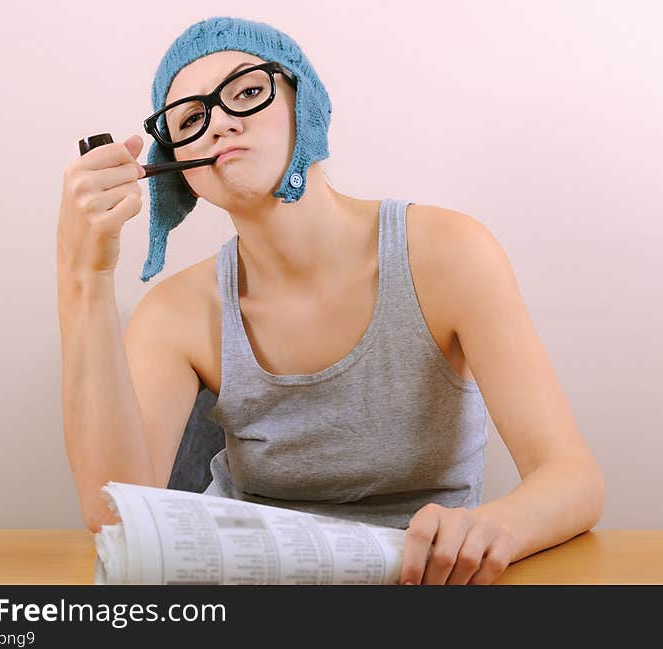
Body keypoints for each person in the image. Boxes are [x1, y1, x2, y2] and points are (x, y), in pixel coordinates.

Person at [57, 16, 605, 586]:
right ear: (179, 168)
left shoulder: (449, 254)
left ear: (305, 105)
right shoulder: (176, 313)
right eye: (192, 119)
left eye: (247, 92)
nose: (219, 124)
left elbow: (572, 478)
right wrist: (83, 276)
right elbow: (115, 520)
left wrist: (499, 527)